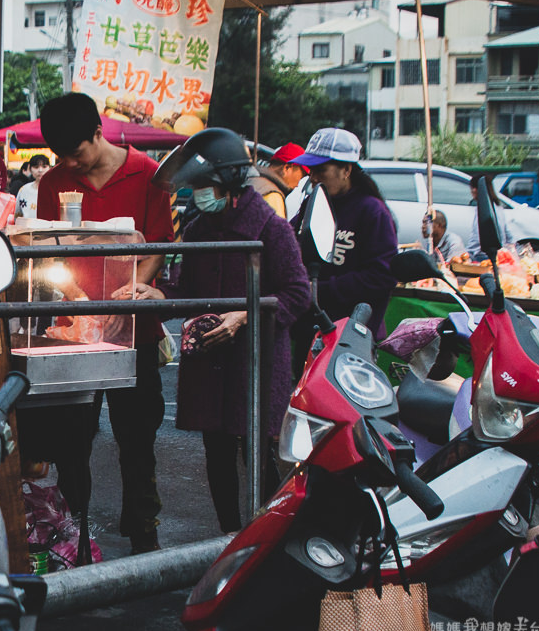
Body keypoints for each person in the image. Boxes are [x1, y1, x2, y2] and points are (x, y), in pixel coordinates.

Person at [143, 128, 311, 533]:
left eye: (205, 186)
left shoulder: (272, 229)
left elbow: (297, 293)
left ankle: (267, 536)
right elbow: (188, 288)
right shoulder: (199, 229)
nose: (200, 194)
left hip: (255, 361)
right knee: (216, 454)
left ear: (231, 182)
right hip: (209, 362)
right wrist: (155, 292)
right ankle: (227, 537)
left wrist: (244, 314)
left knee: (258, 454)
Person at [35, 92, 174, 554]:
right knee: (72, 440)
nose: (70, 163)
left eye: (76, 152)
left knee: (137, 438)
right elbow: (52, 251)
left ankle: (143, 533)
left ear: (98, 132)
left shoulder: (150, 174)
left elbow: (159, 244)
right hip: (77, 331)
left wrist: (127, 299)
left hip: (136, 332)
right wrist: (82, 301)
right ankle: (75, 535)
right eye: (61, 156)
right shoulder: (54, 182)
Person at [289, 127, 397, 363]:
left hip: (351, 336)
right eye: (311, 171)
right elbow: (288, 242)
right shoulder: (312, 203)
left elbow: (382, 276)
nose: (314, 178)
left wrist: (320, 290)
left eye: (321, 170)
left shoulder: (372, 212)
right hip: (310, 330)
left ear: (346, 170)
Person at [253, 141, 308, 219]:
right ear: (287, 168)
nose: (297, 185)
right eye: (300, 178)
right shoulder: (273, 196)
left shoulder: (253, 180)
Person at [466, 176, 514, 260]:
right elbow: (508, 235)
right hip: (498, 254)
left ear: (475, 189)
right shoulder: (498, 208)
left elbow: (477, 238)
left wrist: (468, 252)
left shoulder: (484, 210)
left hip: (482, 255)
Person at [15, 154, 51, 218]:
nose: (40, 170)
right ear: (30, 169)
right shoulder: (24, 190)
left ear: (49, 168)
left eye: (44, 166)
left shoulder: (55, 189)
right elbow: (17, 215)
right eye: (36, 167)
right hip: (27, 227)